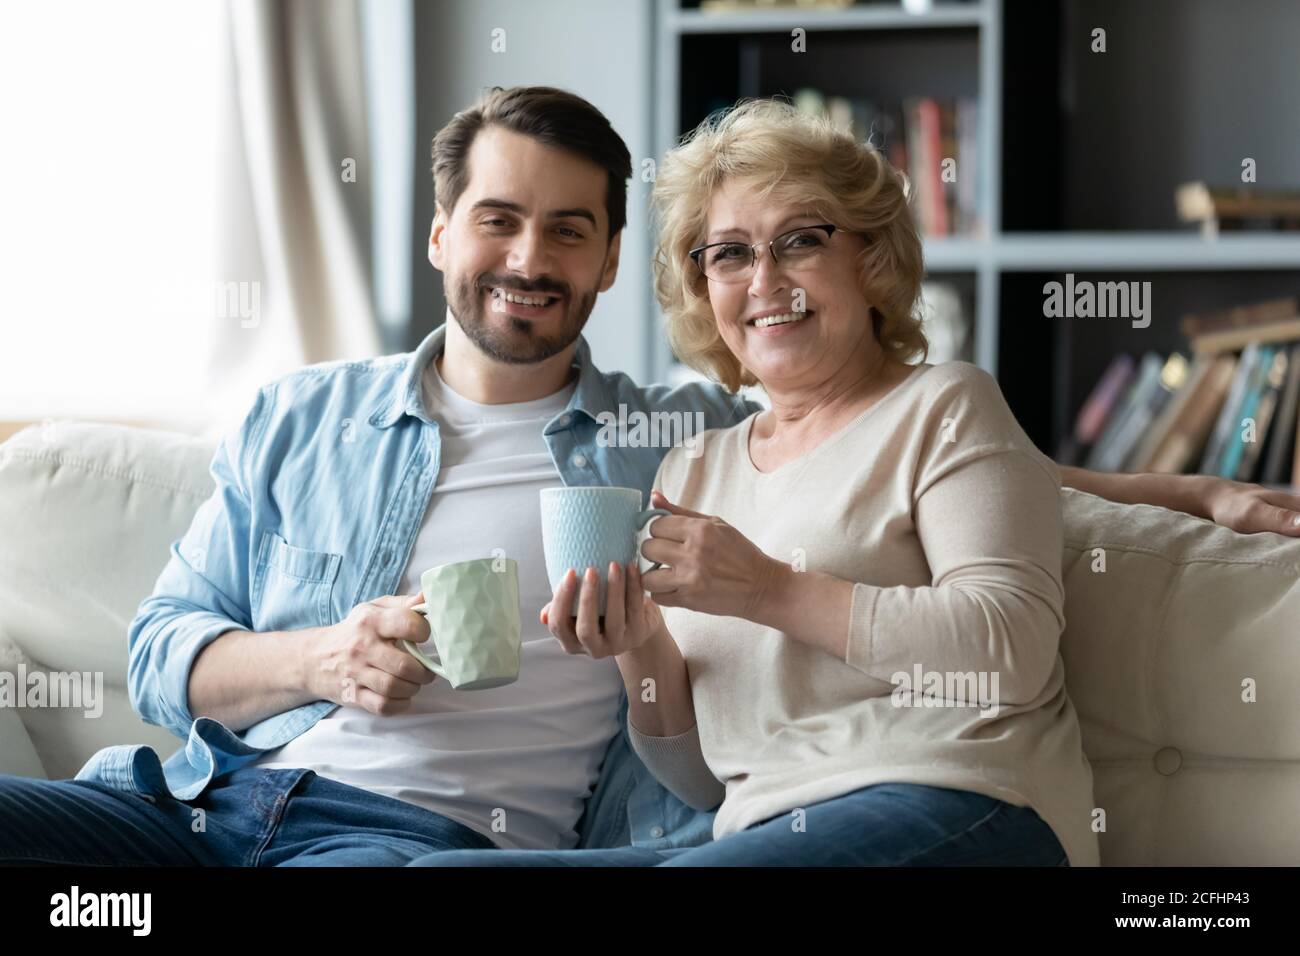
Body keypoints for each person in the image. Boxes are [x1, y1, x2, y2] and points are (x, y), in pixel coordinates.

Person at [1, 87, 1294, 868]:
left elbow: (942, 454)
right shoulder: (317, 418)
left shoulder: (651, 445)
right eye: (498, 219)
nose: (529, 255)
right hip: (193, 797)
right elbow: (165, 647)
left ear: (613, 261)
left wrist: (1203, 496)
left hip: (416, 845)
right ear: (441, 229)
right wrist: (320, 659)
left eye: (570, 228)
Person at [412, 97, 1300, 869]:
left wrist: (768, 588)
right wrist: (641, 645)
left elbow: (1010, 650)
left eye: (801, 241)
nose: (765, 282)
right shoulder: (695, 467)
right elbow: (702, 775)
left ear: (868, 257)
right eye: (727, 254)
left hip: (966, 808)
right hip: (763, 834)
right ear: (701, 284)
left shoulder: (945, 405)